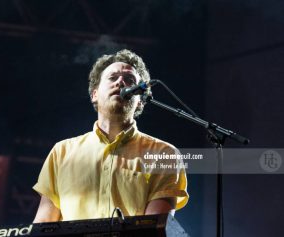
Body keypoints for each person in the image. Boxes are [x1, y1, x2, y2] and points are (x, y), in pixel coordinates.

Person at [33, 49, 188, 222]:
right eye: (113, 77)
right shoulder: (61, 152)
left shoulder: (163, 154)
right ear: (94, 94)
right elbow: (43, 225)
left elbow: (154, 229)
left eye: (129, 80)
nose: (121, 82)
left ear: (141, 100)